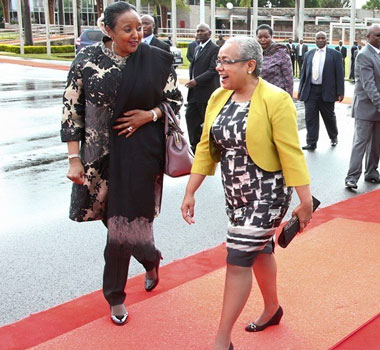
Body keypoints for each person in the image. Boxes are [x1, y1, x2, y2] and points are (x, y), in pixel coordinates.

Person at [180, 36, 313, 350]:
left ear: (250, 65)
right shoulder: (217, 97)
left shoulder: (275, 99)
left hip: (267, 193)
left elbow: (291, 152)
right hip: (235, 193)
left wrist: (305, 199)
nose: (219, 67)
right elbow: (205, 147)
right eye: (219, 61)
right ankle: (272, 308)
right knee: (259, 252)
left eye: (227, 61)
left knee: (238, 258)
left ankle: (221, 340)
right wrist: (190, 191)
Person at [62, 2, 183, 326]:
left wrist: (150, 115)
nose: (135, 35)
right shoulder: (86, 61)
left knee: (119, 230)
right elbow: (71, 112)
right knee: (117, 224)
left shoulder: (157, 59)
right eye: (127, 29)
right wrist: (74, 160)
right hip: (98, 160)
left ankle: (115, 297)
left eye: (139, 29)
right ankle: (149, 256)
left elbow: (173, 101)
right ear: (108, 30)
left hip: (141, 157)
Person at [344, 25, 380, 190]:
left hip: (378, 108)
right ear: (368, 36)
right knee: (361, 143)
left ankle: (372, 172)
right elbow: (368, 84)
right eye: (378, 35)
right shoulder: (364, 54)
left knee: (375, 143)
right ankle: (351, 177)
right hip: (366, 107)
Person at [298, 31, 344, 150]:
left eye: (322, 38)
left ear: (326, 40)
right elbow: (303, 74)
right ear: (315, 40)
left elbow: (339, 74)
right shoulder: (308, 54)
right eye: (318, 38)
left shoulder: (335, 55)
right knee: (310, 117)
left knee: (329, 117)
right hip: (310, 91)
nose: (320, 40)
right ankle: (311, 142)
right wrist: (300, 90)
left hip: (327, 91)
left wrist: (340, 92)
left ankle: (333, 137)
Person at [185, 23, 220, 152]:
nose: (199, 33)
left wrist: (196, 81)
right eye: (197, 31)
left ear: (209, 33)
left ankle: (209, 149)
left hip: (206, 93)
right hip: (194, 93)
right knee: (191, 119)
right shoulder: (196, 48)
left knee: (207, 124)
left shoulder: (214, 49)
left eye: (202, 31)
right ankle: (194, 148)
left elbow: (213, 70)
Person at [256, 24, 293, 95]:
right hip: (258, 95)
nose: (262, 40)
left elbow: (289, 79)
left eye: (266, 37)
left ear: (271, 37)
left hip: (277, 96)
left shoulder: (281, 53)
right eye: (260, 37)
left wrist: (288, 98)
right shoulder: (253, 53)